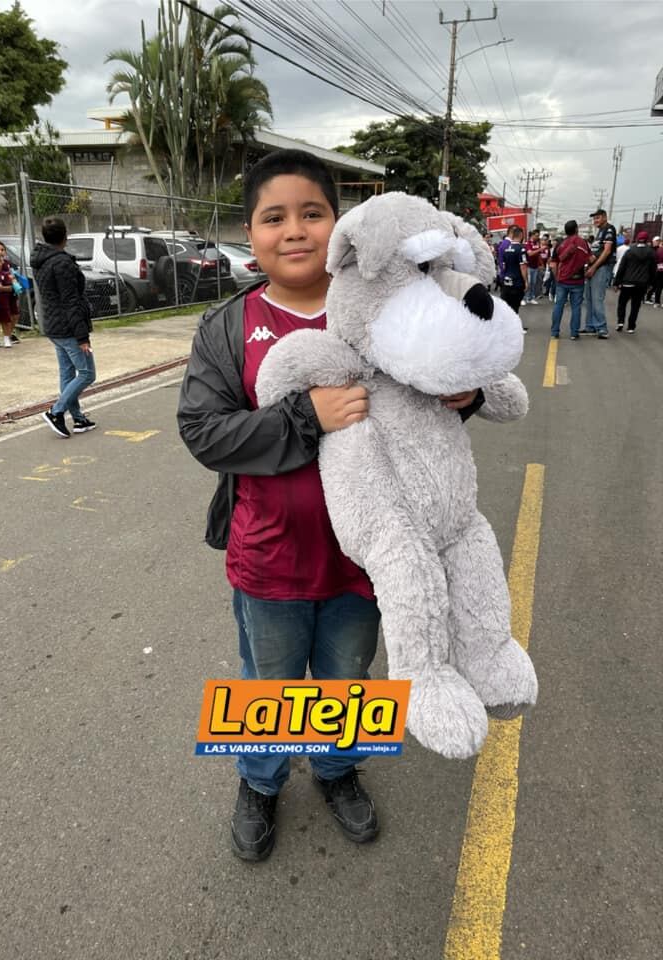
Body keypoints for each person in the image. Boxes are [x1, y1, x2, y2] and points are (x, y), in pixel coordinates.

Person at [177, 149, 483, 862]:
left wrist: (460, 399)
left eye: (312, 213)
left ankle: (339, 772)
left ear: (338, 225)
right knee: (271, 685)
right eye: (273, 217)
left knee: (348, 677)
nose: (294, 230)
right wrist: (306, 415)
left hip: (370, 557)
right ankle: (261, 781)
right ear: (249, 234)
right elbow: (203, 431)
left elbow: (430, 399)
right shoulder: (230, 327)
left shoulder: (393, 309)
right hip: (270, 556)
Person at [30, 217, 97, 438]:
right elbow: (71, 301)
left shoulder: (40, 259)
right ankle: (56, 411)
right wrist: (82, 336)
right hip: (68, 327)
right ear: (64, 236)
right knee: (87, 373)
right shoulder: (61, 263)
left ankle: (77, 418)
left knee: (67, 373)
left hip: (53, 324)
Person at [549, 220, 592, 340]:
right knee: (576, 307)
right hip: (578, 281)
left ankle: (554, 332)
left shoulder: (560, 244)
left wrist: (557, 277)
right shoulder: (583, 243)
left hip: (562, 280)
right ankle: (574, 333)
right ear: (576, 229)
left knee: (559, 305)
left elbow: (553, 264)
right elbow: (590, 259)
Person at [613, 231, 657, 334]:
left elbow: (622, 267)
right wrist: (651, 284)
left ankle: (620, 322)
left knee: (622, 303)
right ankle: (631, 326)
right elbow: (652, 270)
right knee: (635, 306)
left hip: (627, 282)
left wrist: (616, 282)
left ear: (637, 239)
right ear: (647, 240)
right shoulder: (651, 253)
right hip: (641, 284)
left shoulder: (630, 251)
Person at [583, 208, 616, 339]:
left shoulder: (609, 229)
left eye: (598, 218)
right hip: (593, 268)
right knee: (589, 299)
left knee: (597, 299)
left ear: (605, 217)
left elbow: (607, 251)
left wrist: (594, 267)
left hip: (601, 268)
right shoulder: (600, 232)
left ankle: (602, 328)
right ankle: (590, 326)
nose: (595, 220)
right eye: (594, 218)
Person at [499, 226, 529, 330]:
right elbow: (523, 266)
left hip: (507, 280)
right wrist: (526, 281)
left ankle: (506, 326)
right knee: (515, 306)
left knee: (507, 305)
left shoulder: (507, 248)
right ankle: (514, 328)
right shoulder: (521, 249)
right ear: (521, 235)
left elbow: (503, 265)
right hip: (517, 281)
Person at [0, 240, 22, 343]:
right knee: (3, 316)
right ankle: (1, 337)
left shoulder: (8, 264)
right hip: (1, 294)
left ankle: (9, 333)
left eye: (2, 250)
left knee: (16, 314)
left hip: (11, 291)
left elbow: (13, 274)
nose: (0, 252)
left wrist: (14, 278)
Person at [523, 229, 541, 304]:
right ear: (532, 235)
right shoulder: (528, 243)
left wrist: (540, 264)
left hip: (535, 266)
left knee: (533, 283)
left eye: (538, 236)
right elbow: (530, 254)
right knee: (528, 283)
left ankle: (531, 297)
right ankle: (524, 298)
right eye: (536, 235)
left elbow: (539, 255)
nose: (537, 237)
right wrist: (540, 249)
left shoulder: (537, 243)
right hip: (528, 266)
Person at [651, 236, 663, 307]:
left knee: (658, 287)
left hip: (659, 270)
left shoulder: (658, 250)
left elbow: (655, 260)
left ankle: (656, 302)